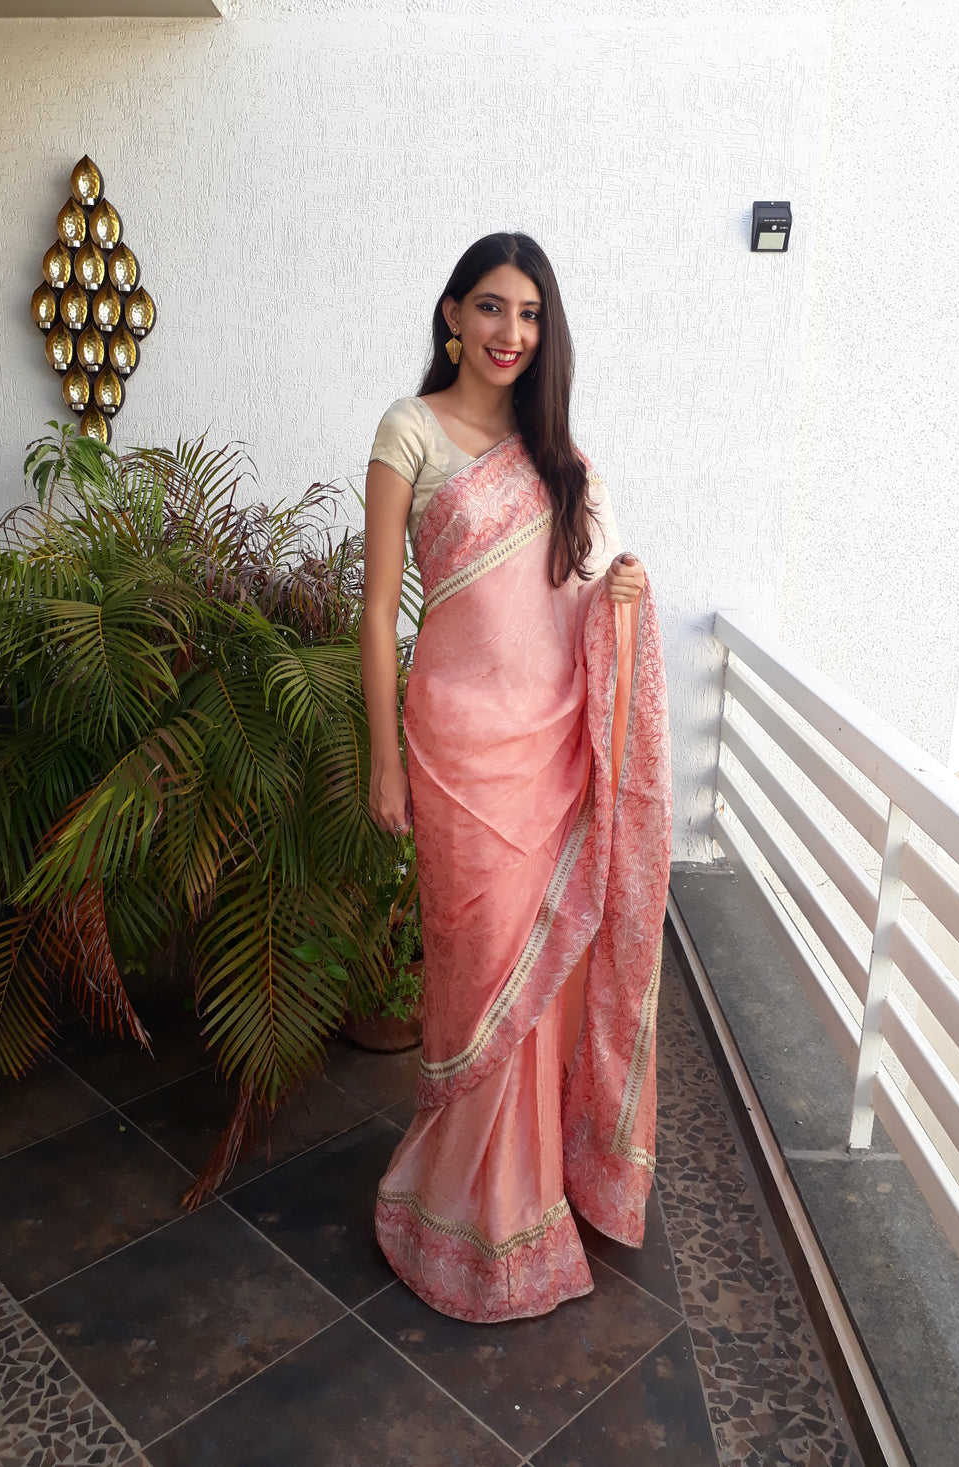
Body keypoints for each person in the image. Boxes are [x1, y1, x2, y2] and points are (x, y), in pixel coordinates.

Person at [359, 232, 671, 1323]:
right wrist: (383, 759)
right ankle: (450, 1207)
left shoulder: (560, 461)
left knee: (542, 981)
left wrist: (621, 595)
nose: (509, 333)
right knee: (476, 971)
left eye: (529, 315)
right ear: (451, 315)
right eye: (490, 308)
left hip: (548, 750)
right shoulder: (408, 432)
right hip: (452, 754)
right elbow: (375, 617)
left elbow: (586, 594)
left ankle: (524, 1199)